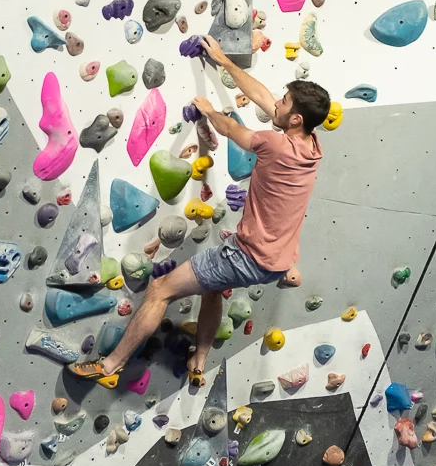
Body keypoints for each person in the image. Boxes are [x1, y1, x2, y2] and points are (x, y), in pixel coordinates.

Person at [69, 33, 328, 387]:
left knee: (160, 289)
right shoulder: (312, 145)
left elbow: (231, 129)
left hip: (247, 256)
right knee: (212, 286)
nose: (277, 104)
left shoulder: (275, 144)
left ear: (295, 118)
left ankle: (110, 365)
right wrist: (224, 62)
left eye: (285, 103)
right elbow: (265, 98)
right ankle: (199, 360)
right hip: (276, 263)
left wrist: (209, 111)